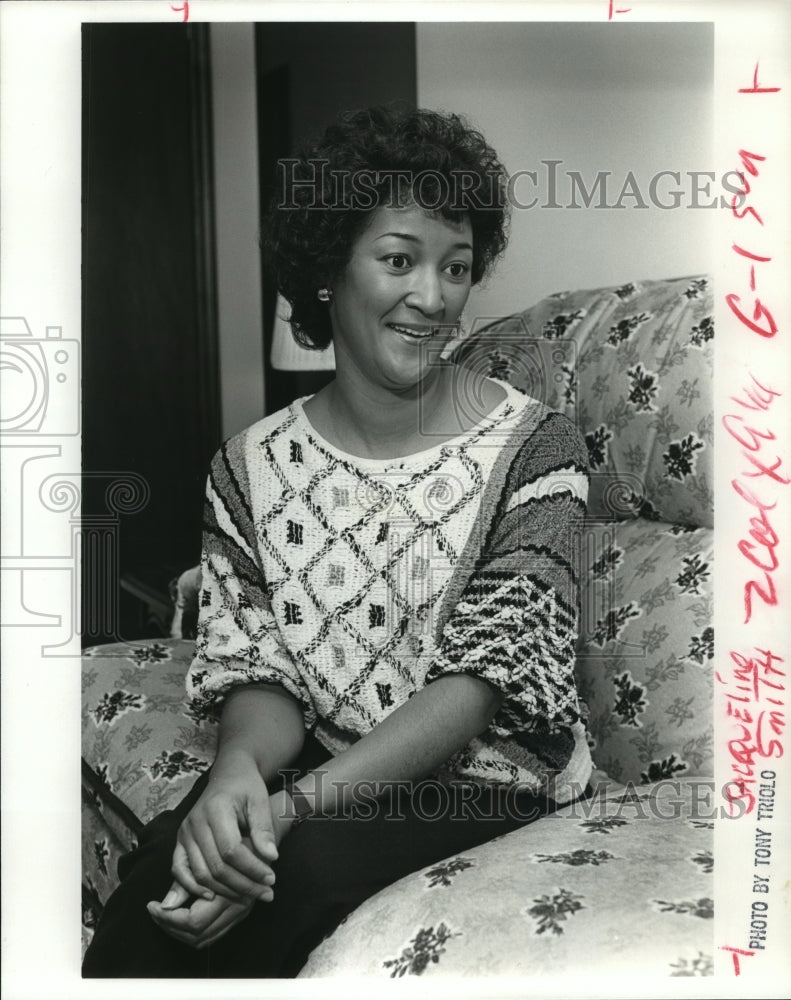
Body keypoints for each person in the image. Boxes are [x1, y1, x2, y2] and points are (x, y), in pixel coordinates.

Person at [83, 105, 592, 979]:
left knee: (285, 875)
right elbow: (259, 666)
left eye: (456, 267)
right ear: (328, 272)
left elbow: (479, 688)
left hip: (485, 776)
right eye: (398, 259)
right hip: (326, 755)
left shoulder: (537, 450)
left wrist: (288, 813)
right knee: (167, 877)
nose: (432, 299)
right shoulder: (246, 467)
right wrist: (239, 772)